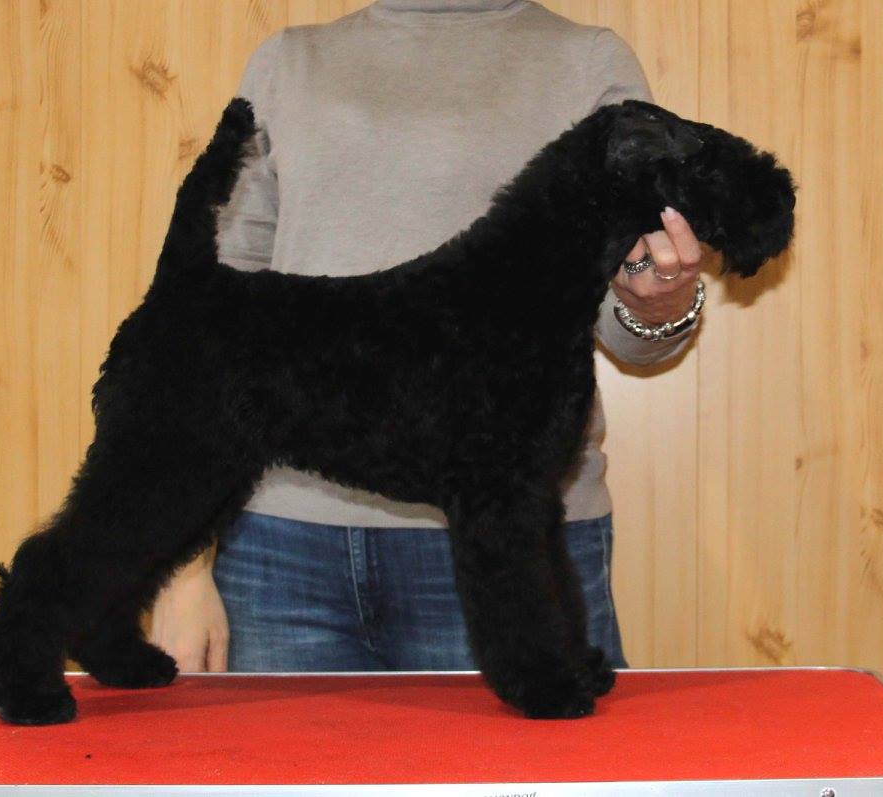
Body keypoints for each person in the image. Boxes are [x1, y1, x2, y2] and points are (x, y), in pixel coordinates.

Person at [150, 0, 713, 673]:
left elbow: (632, 333)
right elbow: (211, 326)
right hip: (280, 548)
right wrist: (178, 569)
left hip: (512, 535)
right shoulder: (287, 62)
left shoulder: (590, 62)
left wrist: (660, 297)